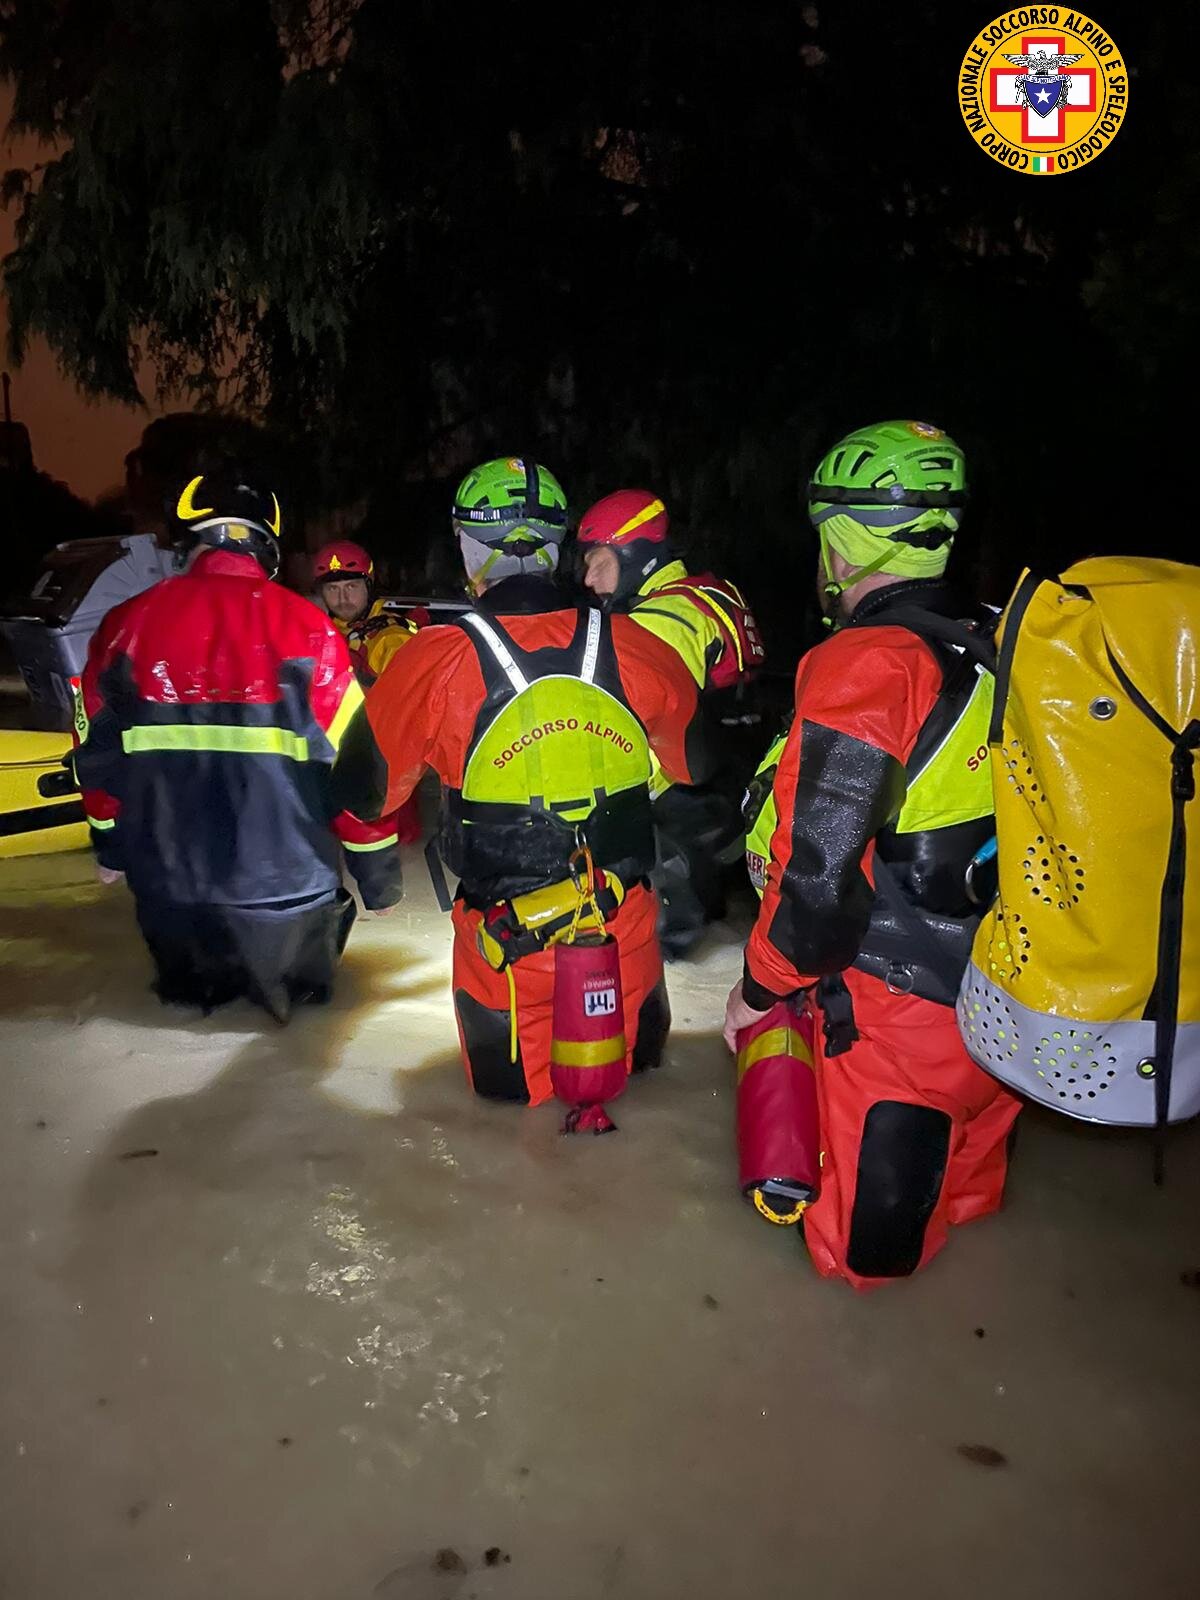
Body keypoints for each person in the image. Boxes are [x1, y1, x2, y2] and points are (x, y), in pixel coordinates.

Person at [723, 420, 1020, 1290]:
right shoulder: (1000, 641)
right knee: (967, 1230)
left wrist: (758, 989)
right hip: (1003, 1005)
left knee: (861, 1270)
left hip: (892, 1024)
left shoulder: (870, 664)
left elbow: (817, 877)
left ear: (845, 543)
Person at [332, 456, 708, 1106]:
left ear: (469, 549)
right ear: (558, 545)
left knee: (516, 1142)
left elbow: (365, 794)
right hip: (626, 939)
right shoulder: (639, 643)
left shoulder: (433, 660)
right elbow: (698, 770)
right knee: (640, 1106)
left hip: (508, 957)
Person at [74, 467, 403, 1023]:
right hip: (289, 910)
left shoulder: (124, 625)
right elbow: (357, 775)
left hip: (170, 905)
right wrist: (380, 881)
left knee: (179, 1019)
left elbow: (95, 758)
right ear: (268, 545)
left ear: (186, 543)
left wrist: (109, 849)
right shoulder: (312, 631)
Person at [578, 488, 764, 957]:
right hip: (738, 784)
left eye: (599, 561)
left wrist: (595, 803)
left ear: (635, 554)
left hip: (694, 806)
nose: (588, 578)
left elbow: (652, 730)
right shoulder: (706, 592)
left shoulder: (662, 620)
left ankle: (668, 943)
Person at [313, 539, 422, 845]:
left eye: (352, 587)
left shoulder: (390, 634)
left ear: (368, 585)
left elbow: (408, 713)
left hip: (381, 776)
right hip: (336, 766)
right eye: (333, 589)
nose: (342, 598)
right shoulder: (321, 631)